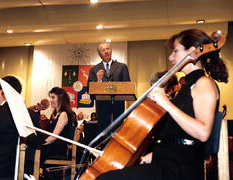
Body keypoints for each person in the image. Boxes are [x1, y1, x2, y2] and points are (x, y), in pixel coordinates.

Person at [96, 29, 228, 180]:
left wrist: (166, 103)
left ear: (192, 51)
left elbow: (203, 132)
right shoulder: (185, 87)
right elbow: (173, 140)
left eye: (176, 51)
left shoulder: (203, 83)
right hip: (166, 164)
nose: (171, 57)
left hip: (181, 170)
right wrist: (141, 159)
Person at [88, 42, 131, 131]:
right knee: (104, 136)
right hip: (102, 108)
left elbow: (127, 86)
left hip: (118, 106)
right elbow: (90, 89)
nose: (106, 52)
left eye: (108, 49)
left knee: (118, 133)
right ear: (100, 54)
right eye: (103, 50)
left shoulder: (122, 67)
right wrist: (98, 80)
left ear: (111, 51)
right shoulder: (94, 69)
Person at [40, 87, 73, 169]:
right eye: (50, 97)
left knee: (33, 151)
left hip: (58, 148)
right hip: (55, 146)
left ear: (61, 99)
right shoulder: (57, 114)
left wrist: (40, 143)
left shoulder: (63, 114)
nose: (50, 100)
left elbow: (54, 137)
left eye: (53, 97)